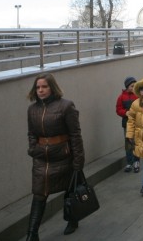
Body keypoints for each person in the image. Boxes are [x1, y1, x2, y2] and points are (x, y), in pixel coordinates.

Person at [25, 73, 85, 240]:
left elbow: (75, 134)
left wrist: (78, 160)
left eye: (44, 86)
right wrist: (33, 149)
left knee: (70, 189)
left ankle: (72, 220)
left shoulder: (66, 106)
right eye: (38, 87)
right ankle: (32, 233)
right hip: (41, 159)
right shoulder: (32, 109)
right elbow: (31, 133)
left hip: (63, 156)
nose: (41, 90)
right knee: (39, 194)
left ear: (52, 87)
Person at [116, 76, 140, 173]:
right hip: (126, 123)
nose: (133, 88)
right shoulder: (121, 97)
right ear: (127, 87)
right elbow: (118, 109)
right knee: (128, 143)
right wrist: (125, 112)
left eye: (135, 86)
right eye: (131, 86)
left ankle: (136, 161)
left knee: (136, 142)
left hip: (137, 122)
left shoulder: (138, 96)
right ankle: (129, 162)